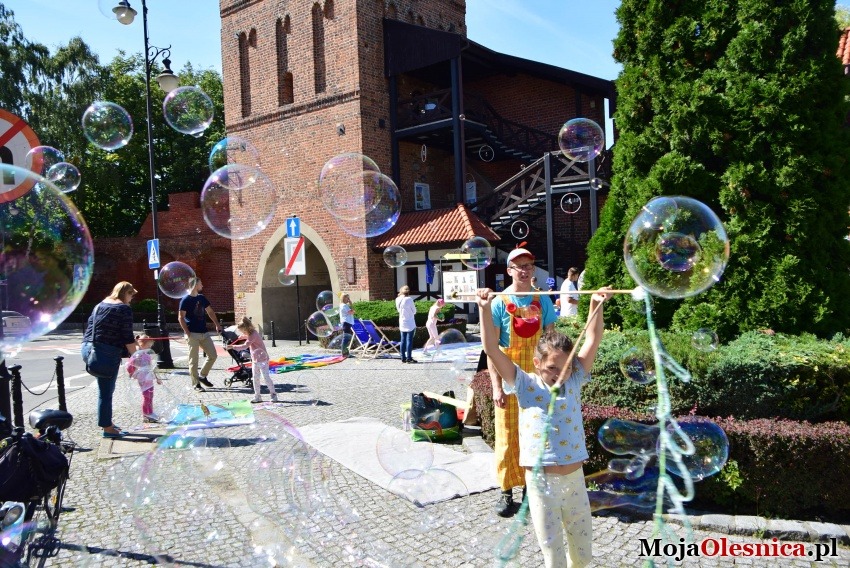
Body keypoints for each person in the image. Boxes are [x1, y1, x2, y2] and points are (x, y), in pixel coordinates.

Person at [476, 285, 610, 568]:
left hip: (575, 479)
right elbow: (490, 347)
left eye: (565, 368)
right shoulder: (525, 384)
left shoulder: (574, 379)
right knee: (553, 555)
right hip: (540, 483)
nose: (559, 376)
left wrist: (595, 305)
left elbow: (593, 337)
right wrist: (484, 309)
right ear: (537, 364)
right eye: (552, 369)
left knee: (583, 554)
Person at [487, 247, 558, 517]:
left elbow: (551, 343)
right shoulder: (499, 302)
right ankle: (506, 493)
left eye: (529, 264)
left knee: (535, 436)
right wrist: (495, 386)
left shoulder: (544, 301)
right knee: (506, 437)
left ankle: (531, 491)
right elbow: (492, 349)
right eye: (519, 266)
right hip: (509, 379)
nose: (525, 269)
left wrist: (552, 378)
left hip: (537, 381)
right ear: (509, 271)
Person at [81, 281, 138, 438]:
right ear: (126, 293)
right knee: (105, 392)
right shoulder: (124, 308)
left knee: (103, 389)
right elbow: (127, 336)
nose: (131, 299)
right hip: (105, 353)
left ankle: (107, 422)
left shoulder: (100, 304)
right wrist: (136, 358)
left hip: (88, 349)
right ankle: (107, 428)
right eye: (131, 295)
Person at [179, 278, 223, 392]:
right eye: (200, 283)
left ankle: (202, 376)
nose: (202, 284)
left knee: (213, 355)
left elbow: (210, 312)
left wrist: (217, 324)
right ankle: (196, 384)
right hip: (192, 333)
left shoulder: (202, 298)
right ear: (195, 285)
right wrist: (187, 332)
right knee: (193, 361)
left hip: (204, 333)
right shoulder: (185, 300)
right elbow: (181, 317)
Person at [234, 316, 277, 404]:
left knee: (266, 377)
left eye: (243, 331)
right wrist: (242, 336)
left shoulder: (254, 335)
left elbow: (245, 346)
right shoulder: (250, 333)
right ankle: (257, 396)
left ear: (247, 328)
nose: (243, 333)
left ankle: (273, 395)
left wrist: (232, 347)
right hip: (255, 360)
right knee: (255, 378)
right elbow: (247, 336)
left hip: (263, 359)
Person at [126, 335, 162, 423]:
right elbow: (130, 365)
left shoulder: (146, 355)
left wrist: (157, 378)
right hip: (143, 378)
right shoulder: (137, 355)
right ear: (142, 344)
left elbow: (152, 367)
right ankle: (146, 413)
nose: (150, 348)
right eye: (148, 346)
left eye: (150, 346)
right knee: (147, 396)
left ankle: (149, 412)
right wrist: (132, 373)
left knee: (150, 396)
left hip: (148, 378)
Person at [395, 285, 417, 363]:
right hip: (410, 321)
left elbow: (398, 310)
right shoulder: (409, 299)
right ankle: (409, 357)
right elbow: (414, 311)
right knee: (409, 340)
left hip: (402, 321)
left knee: (402, 340)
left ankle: (402, 357)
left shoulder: (397, 299)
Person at [339, 293, 355, 357]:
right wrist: (351, 304)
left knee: (347, 338)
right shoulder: (344, 306)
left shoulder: (343, 305)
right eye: (347, 298)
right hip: (346, 323)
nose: (348, 299)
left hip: (347, 323)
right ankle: (344, 353)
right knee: (346, 338)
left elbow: (351, 312)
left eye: (348, 298)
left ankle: (346, 353)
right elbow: (352, 312)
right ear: (343, 298)